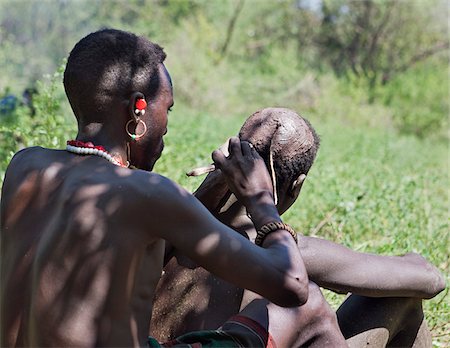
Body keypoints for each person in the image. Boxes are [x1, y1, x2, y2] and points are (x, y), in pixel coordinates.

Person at [0, 28, 348, 348]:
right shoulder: (148, 192)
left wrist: (208, 193)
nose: (167, 126)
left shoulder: (25, 165)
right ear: (138, 107)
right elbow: (292, 286)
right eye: (166, 108)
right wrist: (261, 202)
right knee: (308, 307)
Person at [151, 107, 446, 347]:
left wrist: (204, 194)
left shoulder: (170, 220)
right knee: (402, 301)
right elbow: (431, 280)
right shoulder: (287, 253)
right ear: (296, 186)